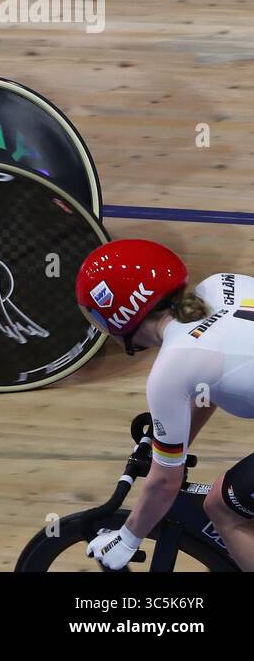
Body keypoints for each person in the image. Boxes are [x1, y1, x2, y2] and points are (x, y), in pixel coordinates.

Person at [77, 239, 254, 570]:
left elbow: (164, 482)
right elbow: (208, 382)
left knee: (222, 509)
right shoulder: (218, 283)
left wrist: (129, 537)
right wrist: (172, 444)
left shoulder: (170, 371)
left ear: (116, 318)